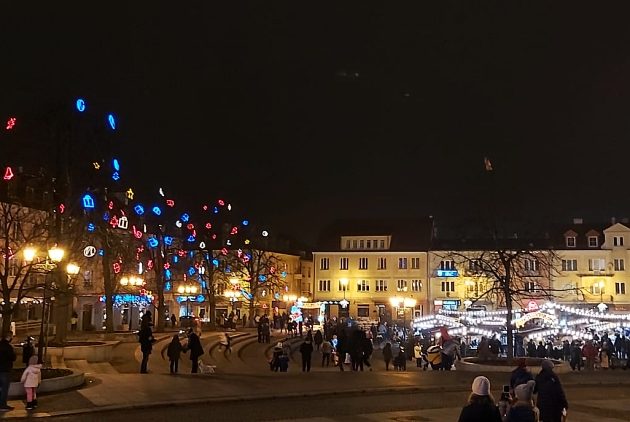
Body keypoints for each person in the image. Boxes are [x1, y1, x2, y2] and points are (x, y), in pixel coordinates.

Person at [0, 333, 16, 411]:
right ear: (9, 337)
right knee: (4, 389)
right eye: (12, 337)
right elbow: (13, 357)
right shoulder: (8, 347)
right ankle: (2, 405)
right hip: (5, 370)